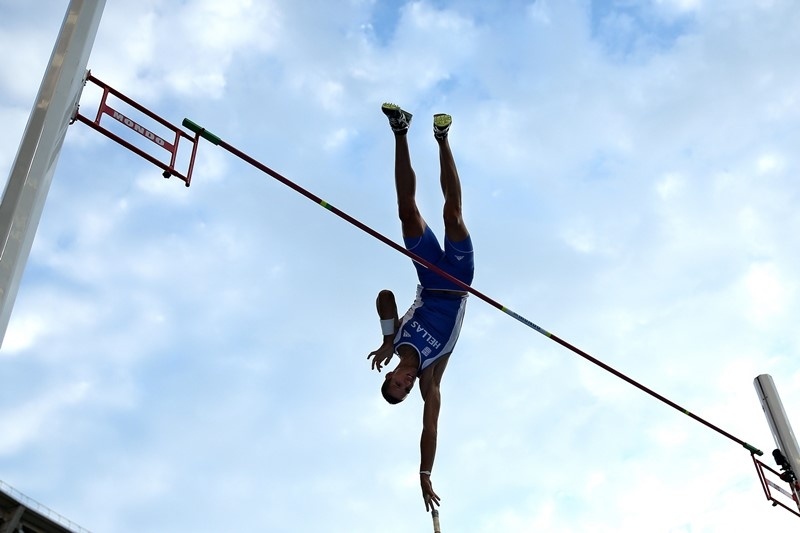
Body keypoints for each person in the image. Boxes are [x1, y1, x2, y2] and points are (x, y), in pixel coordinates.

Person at [367, 103, 475, 512]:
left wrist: (386, 338)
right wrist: (425, 472)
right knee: (453, 215)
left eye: (396, 383)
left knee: (406, 213)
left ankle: (400, 131)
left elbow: (384, 297)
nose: (405, 383)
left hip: (430, 279)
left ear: (391, 372)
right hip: (458, 283)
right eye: (404, 390)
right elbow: (429, 427)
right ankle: (444, 139)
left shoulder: (394, 345)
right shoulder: (431, 377)